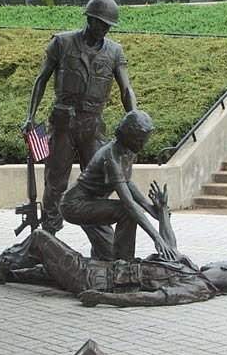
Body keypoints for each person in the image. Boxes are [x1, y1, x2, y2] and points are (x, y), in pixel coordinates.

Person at [0, 182, 227, 307]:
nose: (212, 262)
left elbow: (152, 299)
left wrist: (104, 299)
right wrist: (163, 210)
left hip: (96, 281)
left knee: (41, 239)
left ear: (224, 268)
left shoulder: (198, 287)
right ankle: (0, 274)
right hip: (100, 269)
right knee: (43, 273)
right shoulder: (189, 268)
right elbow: (170, 246)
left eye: (221, 262)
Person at [24, 0, 136, 236]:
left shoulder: (115, 51)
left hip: (93, 125)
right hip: (63, 123)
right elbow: (40, 80)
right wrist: (30, 117)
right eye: (101, 23)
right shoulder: (62, 43)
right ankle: (48, 237)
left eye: (108, 26)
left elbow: (126, 89)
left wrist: (134, 118)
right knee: (55, 182)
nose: (104, 29)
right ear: (90, 19)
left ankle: (101, 240)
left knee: (98, 183)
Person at [61, 110, 173, 262]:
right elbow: (129, 204)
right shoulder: (111, 156)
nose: (142, 145)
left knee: (107, 256)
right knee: (125, 212)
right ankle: (124, 266)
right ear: (127, 136)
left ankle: (105, 261)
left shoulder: (129, 150)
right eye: (139, 140)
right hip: (74, 204)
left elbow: (126, 181)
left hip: (94, 203)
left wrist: (149, 208)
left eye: (145, 140)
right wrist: (157, 238)